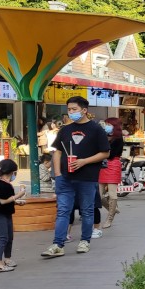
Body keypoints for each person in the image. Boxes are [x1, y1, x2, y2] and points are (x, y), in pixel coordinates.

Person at [42, 96, 109, 258]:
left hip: (87, 177)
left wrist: (84, 162)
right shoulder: (65, 130)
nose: (71, 113)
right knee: (63, 211)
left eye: (74, 109)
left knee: (87, 210)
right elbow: (57, 152)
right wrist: (57, 174)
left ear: (84, 110)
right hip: (65, 178)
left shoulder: (96, 129)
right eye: (69, 110)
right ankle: (58, 244)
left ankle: (85, 241)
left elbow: (105, 152)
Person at [0, 159, 26, 272]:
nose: (15, 174)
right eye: (15, 172)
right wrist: (19, 195)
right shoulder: (2, 184)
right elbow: (2, 201)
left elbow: (7, 200)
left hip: (6, 214)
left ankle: (7, 259)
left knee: (9, 237)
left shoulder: (6, 184)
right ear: (11, 171)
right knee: (2, 238)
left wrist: (16, 202)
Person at [98, 117, 124, 228]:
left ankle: (109, 218)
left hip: (113, 164)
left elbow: (110, 154)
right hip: (102, 165)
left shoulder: (118, 139)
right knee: (99, 195)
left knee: (112, 193)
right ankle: (112, 208)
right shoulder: (105, 136)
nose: (106, 125)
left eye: (108, 124)